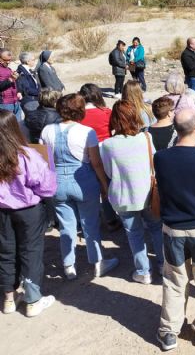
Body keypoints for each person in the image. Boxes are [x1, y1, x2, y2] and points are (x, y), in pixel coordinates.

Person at [154, 109, 195, 351]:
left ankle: (169, 331)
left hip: (173, 229)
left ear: (174, 128)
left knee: (173, 280)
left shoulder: (160, 158)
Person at [40, 94, 119, 280]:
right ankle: (98, 263)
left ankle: (69, 265)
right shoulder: (87, 132)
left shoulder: (47, 131)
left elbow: (45, 160)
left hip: (58, 181)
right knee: (90, 223)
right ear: (80, 110)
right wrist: (104, 184)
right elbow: (96, 163)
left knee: (66, 226)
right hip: (83, 180)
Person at [0, 109, 57, 317]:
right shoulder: (27, 155)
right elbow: (47, 186)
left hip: (2, 211)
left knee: (6, 252)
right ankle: (32, 299)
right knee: (31, 251)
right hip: (28, 210)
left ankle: (8, 297)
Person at [100, 100, 164, 284]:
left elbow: (109, 172)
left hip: (123, 196)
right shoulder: (146, 138)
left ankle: (143, 271)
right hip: (147, 193)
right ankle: (161, 264)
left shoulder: (108, 145)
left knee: (134, 233)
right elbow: (154, 162)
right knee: (155, 228)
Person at [0, 49, 21, 117]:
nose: (8, 62)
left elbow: (14, 84)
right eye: (6, 60)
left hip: (15, 102)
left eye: (10, 60)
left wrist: (18, 91)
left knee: (18, 126)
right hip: (5, 104)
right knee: (8, 127)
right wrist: (10, 79)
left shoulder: (9, 69)